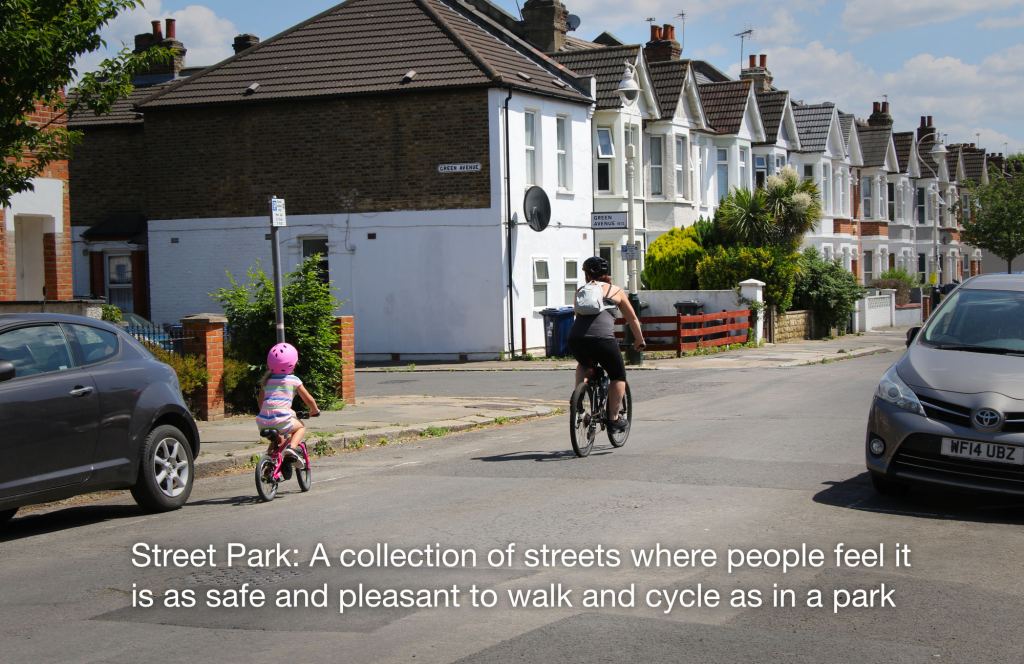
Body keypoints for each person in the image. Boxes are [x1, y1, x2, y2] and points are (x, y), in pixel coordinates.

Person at [568, 256, 645, 431]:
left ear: (586, 274)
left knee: (584, 363)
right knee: (618, 375)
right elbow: (632, 318)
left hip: (576, 339)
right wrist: (640, 340)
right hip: (603, 339)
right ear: (606, 273)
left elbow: (577, 315)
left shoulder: (581, 290)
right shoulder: (615, 291)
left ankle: (578, 398)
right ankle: (613, 419)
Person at [256, 342, 320, 457]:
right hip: (282, 420)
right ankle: (291, 449)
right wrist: (314, 410)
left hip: (263, 422)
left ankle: (269, 463)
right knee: (300, 427)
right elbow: (308, 399)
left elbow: (261, 402)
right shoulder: (294, 380)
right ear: (292, 364)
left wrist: (267, 413)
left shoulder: (267, 381)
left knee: (278, 440)